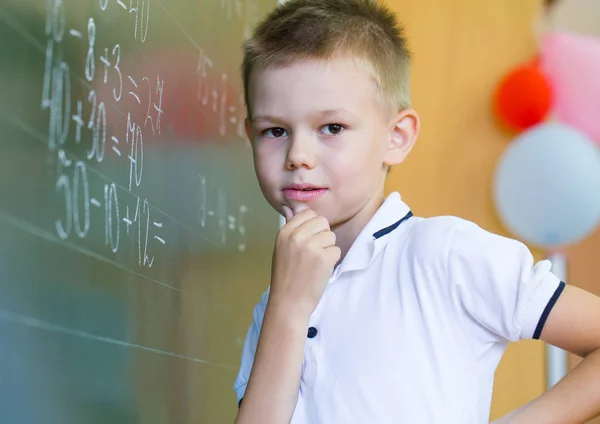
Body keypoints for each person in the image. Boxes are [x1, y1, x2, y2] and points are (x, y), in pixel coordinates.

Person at [233, 0, 600, 422]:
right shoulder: (275, 306)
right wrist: (289, 309)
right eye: (274, 131)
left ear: (396, 137)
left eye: (331, 128)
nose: (298, 155)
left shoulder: (444, 254)